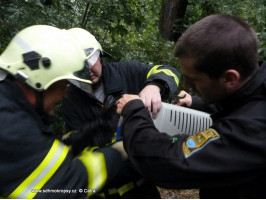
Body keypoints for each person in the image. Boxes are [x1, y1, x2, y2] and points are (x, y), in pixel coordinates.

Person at [115, 14, 266, 198]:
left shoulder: (252, 129)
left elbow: (168, 162)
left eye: (193, 79)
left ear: (229, 78)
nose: (185, 86)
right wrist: (195, 102)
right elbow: (238, 104)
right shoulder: (256, 86)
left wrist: (133, 111)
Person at [0, 25, 129, 199]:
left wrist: (74, 141)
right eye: (62, 86)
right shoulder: (12, 127)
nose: (64, 94)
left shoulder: (8, 108)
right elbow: (65, 185)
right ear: (40, 82)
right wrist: (117, 154)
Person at [61, 28, 180, 198]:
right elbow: (80, 142)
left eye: (90, 62)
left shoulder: (126, 71)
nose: (88, 71)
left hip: (142, 188)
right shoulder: (71, 98)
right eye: (79, 68)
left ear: (99, 55)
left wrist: (155, 85)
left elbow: (169, 71)